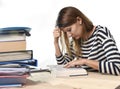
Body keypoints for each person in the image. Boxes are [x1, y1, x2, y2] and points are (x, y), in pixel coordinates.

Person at [53, 6, 120, 76]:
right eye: (66, 32)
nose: (69, 35)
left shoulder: (101, 33)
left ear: (79, 20)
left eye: (69, 30)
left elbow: (117, 67)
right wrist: (56, 43)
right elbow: (63, 66)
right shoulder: (75, 41)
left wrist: (85, 61)